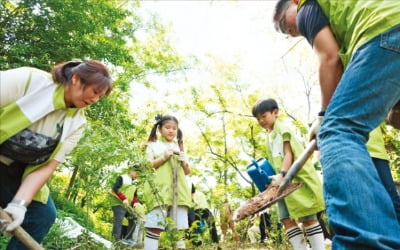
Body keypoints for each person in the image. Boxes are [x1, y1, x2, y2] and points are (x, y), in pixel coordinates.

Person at [273, 0, 400, 248]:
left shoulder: (306, 7)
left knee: (336, 130)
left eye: (282, 24)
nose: (288, 32)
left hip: (386, 31)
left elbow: (330, 59)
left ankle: (366, 243)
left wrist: (323, 115)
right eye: (283, 34)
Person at [0, 60, 112, 249]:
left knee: (42, 215)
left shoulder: (77, 123)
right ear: (76, 78)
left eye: (100, 97)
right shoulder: (28, 80)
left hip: (17, 171)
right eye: (94, 92)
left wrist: (19, 204)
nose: (95, 100)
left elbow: (46, 167)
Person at [252, 98, 325, 250]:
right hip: (281, 184)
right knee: (285, 218)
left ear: (275, 112)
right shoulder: (269, 136)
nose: (261, 121)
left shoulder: (283, 129)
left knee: (307, 217)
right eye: (258, 118)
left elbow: (288, 153)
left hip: (296, 179)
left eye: (263, 116)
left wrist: (283, 174)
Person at [143, 114, 191, 250]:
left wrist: (183, 161)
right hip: (159, 191)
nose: (171, 131)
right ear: (159, 128)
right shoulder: (153, 145)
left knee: (179, 227)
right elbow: (147, 166)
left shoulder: (180, 147)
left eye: (174, 128)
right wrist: (163, 157)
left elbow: (187, 171)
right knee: (155, 225)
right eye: (167, 127)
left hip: (179, 192)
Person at [109, 166, 138, 245]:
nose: (137, 175)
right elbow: (115, 188)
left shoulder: (135, 183)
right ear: (130, 171)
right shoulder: (122, 177)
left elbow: (135, 196)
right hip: (118, 203)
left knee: (134, 219)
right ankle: (115, 241)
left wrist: (135, 203)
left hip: (127, 206)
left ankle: (127, 239)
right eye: (136, 172)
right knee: (119, 220)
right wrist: (124, 198)